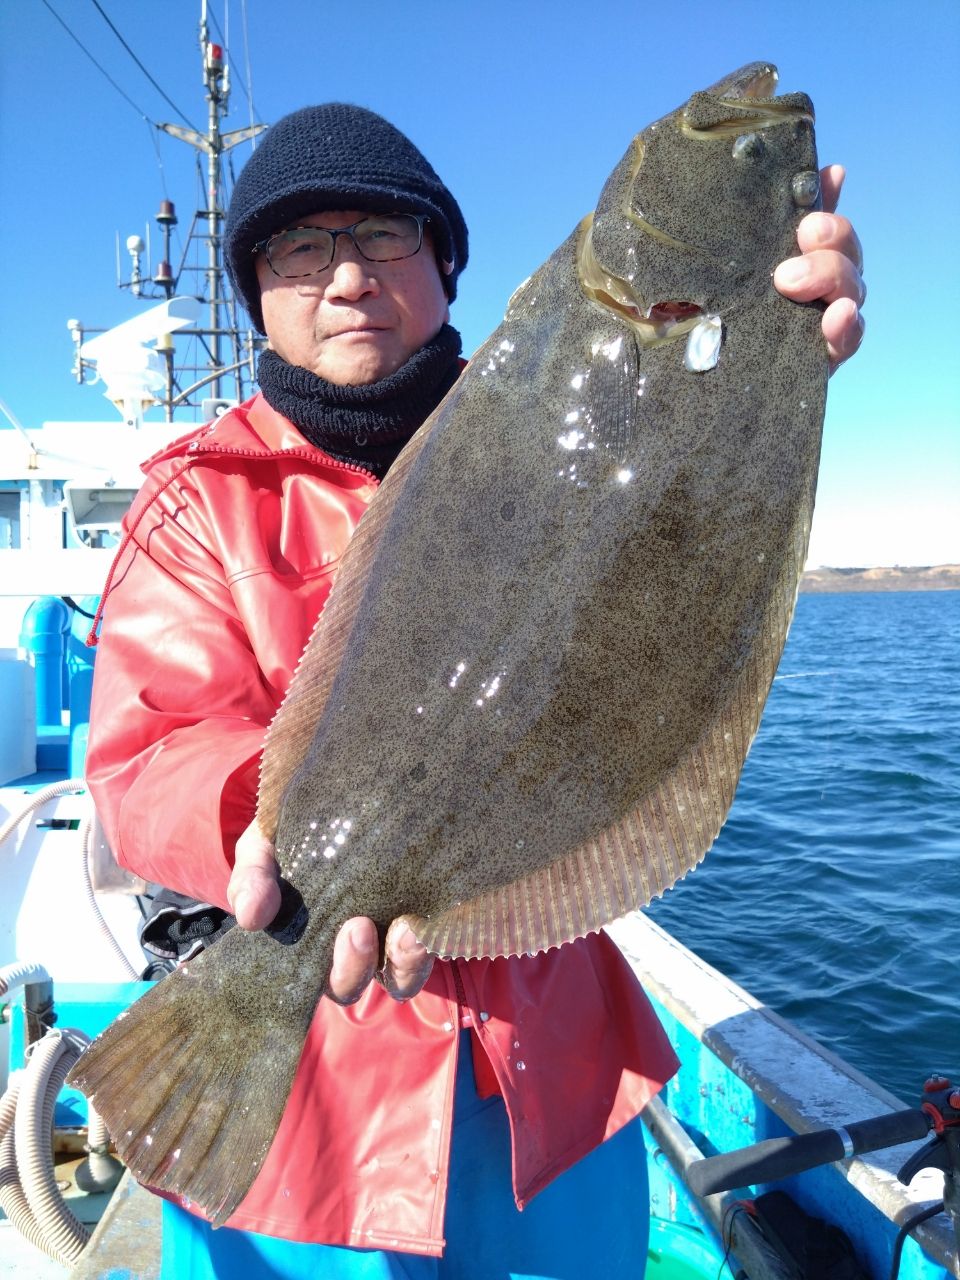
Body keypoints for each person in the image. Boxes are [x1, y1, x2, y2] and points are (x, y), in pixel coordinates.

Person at [84, 102, 865, 1279]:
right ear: (256, 294)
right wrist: (280, 845)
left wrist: (767, 361)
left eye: (385, 233)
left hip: (555, 1081)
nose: (348, 274)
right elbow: (152, 747)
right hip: (312, 1125)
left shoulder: (579, 383)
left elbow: (688, 564)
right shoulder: (196, 501)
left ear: (447, 265)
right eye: (299, 247)